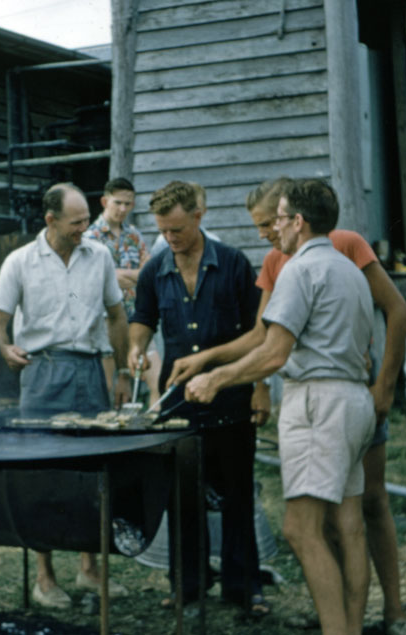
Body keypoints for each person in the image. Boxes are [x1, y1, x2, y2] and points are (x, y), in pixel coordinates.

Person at [170, 178, 406, 633]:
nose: (274, 230)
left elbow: (274, 351)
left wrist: (215, 378)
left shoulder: (299, 270)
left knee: (301, 530)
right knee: (348, 523)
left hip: (319, 402)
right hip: (353, 399)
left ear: (298, 222)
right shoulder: (346, 269)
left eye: (278, 219)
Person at [0, 182, 132, 608]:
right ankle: (45, 578)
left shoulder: (99, 256)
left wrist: (121, 371)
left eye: (87, 219)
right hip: (42, 374)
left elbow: (117, 316)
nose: (85, 228)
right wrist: (5, 347)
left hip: (89, 372)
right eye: (77, 222)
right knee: (40, 477)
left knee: (94, 474)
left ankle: (89, 569)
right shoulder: (20, 262)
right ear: (50, 221)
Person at [126, 181, 266, 614]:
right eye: (164, 232)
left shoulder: (235, 264)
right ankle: (188, 584)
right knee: (182, 496)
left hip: (230, 398)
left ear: (199, 216)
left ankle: (244, 589)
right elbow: (142, 319)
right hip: (179, 404)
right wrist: (135, 347)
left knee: (238, 495)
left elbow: (260, 334)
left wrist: (260, 387)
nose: (171, 239)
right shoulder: (155, 269)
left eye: (178, 230)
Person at [84, 177, 162, 405]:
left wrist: (120, 276)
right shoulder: (90, 237)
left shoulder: (134, 235)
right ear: (104, 201)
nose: (122, 209)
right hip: (106, 323)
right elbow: (99, 280)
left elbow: (149, 276)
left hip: (138, 320)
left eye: (128, 204)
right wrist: (128, 276)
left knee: (157, 382)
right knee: (113, 391)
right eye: (117, 203)